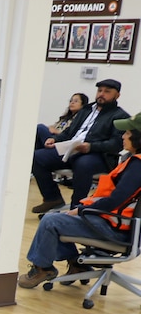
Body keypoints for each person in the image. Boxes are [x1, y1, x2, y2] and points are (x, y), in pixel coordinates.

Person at [19, 111, 141, 288]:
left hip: (116, 230)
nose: (123, 136)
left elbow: (116, 200)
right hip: (119, 225)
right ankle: (76, 266)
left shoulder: (137, 166)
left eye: (128, 133)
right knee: (61, 218)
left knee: (51, 221)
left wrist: (82, 210)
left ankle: (42, 268)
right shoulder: (134, 162)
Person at [30, 78, 129, 213]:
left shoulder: (120, 116)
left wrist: (91, 146)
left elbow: (116, 144)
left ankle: (76, 208)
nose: (101, 94)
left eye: (107, 92)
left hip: (98, 155)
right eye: (99, 91)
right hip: (71, 149)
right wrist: (55, 139)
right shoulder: (86, 109)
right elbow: (69, 133)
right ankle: (52, 198)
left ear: (117, 95)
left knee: (83, 164)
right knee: (37, 157)